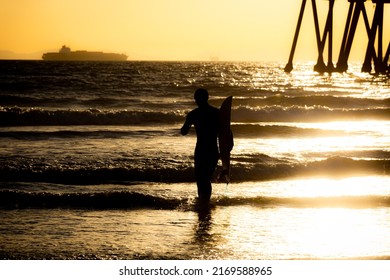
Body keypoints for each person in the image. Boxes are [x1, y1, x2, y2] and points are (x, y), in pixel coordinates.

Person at [181, 88, 219, 203]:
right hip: (212, 150)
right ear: (207, 98)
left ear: (196, 99)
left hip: (202, 150)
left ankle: (204, 203)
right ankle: (204, 202)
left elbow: (183, 131)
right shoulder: (216, 113)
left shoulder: (194, 114)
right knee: (205, 179)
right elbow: (227, 132)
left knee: (202, 179)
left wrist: (188, 123)